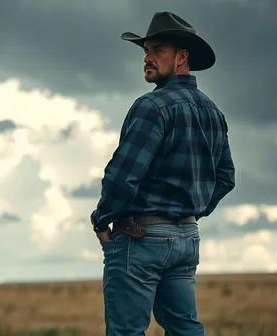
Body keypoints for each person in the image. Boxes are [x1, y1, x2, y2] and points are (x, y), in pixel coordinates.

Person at [89, 11, 236, 336]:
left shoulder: (151, 107)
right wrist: (187, 211)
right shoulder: (213, 111)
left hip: (142, 238)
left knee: (126, 331)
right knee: (185, 329)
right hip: (186, 238)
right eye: (145, 50)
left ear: (182, 57)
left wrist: (101, 219)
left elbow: (122, 175)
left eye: (158, 50)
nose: (148, 57)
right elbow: (225, 177)